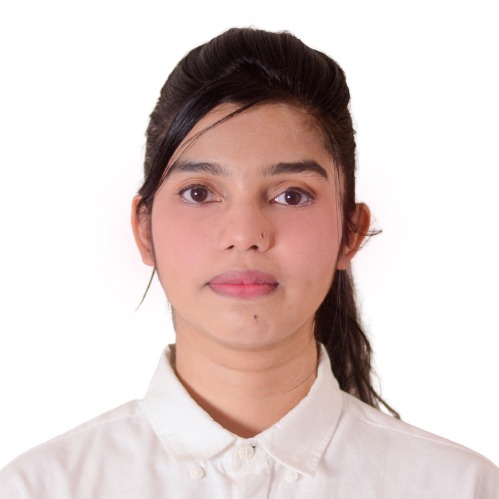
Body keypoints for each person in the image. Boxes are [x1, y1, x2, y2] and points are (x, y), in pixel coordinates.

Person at [0, 27, 498, 498]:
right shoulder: (40, 488)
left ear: (350, 232)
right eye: (199, 192)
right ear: (144, 229)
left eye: (291, 195)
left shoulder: (458, 487)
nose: (245, 235)